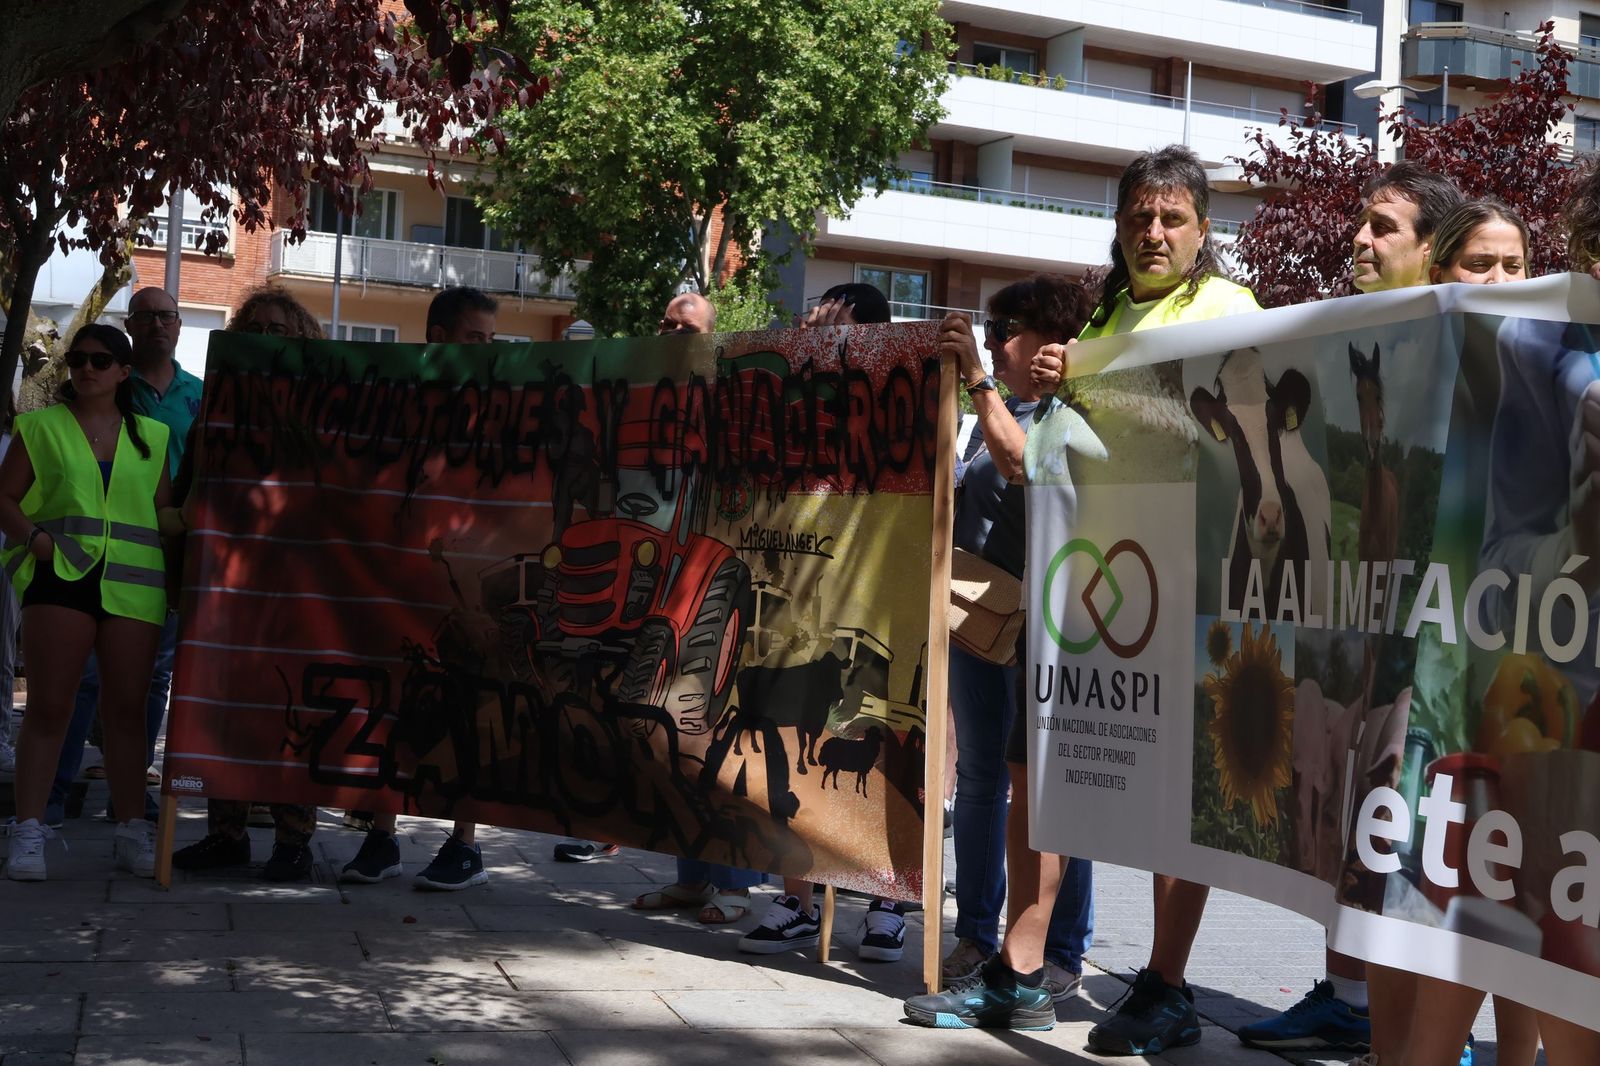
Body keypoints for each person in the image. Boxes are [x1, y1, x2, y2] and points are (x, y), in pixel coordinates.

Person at [907, 144, 1262, 1041]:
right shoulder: (1100, 315)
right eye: (1140, 215)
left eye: (1172, 216)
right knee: (1043, 779)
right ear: (1118, 224)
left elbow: (1228, 438)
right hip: (1080, 597)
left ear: (1203, 230)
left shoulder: (1228, 309)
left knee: (1179, 805)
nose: (1154, 230)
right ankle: (1020, 969)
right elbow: (1040, 463)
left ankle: (1165, 986)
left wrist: (1098, 387)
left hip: (1181, 596)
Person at [1239, 162, 1466, 1059]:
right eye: (1359, 225)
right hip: (1341, 631)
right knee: (1339, 821)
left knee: (1399, 835)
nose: (1359, 242)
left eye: (1383, 228)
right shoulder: (1333, 345)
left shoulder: (1470, 350)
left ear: (1432, 250)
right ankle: (1347, 998)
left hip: (1430, 646)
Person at [899, 275, 1096, 1015]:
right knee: (982, 781)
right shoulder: (987, 408)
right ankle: (979, 936)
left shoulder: (1065, 407)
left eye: (1003, 327)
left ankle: (1060, 953)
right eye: (987, 328)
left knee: (1056, 797)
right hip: (975, 620)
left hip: (1040, 626)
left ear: (1050, 337)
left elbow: (1025, 467)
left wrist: (979, 384)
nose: (990, 341)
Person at [735, 282, 912, 962]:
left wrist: (838, 358)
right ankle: (797, 897)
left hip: (875, 599)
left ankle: (885, 901)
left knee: (873, 740)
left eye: (840, 331)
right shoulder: (796, 397)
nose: (825, 338)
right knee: (789, 742)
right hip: (799, 599)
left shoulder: (903, 395)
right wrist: (806, 354)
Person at [341, 286, 499, 891]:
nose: (484, 352)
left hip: (466, 583)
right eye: (472, 339)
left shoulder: (503, 406)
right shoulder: (397, 397)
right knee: (390, 704)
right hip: (399, 578)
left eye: (491, 341)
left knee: (466, 706)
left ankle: (465, 845)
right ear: (437, 337)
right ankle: (382, 836)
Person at [1, 324, 170, 880]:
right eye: (78, 359)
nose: (87, 368)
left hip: (134, 583)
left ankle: (131, 828)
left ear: (124, 372)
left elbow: (164, 516)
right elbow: (3, 497)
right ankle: (28, 831)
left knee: (125, 711)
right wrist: (34, 540)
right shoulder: (40, 426)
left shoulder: (154, 436)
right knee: (50, 706)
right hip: (59, 574)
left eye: (101, 360)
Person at [165, 286, 322, 882]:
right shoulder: (219, 403)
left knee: (289, 706)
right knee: (225, 705)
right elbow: (192, 478)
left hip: (295, 584)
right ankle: (226, 835)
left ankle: (293, 841)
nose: (262, 334)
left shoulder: (321, 403)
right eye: (252, 325)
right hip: (227, 580)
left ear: (300, 337)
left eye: (277, 328)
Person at [45, 287, 202, 827]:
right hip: (88, 562)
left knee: (150, 683)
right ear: (131, 327)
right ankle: (53, 793)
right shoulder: (108, 384)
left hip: (165, 560)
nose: (158, 323)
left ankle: (129, 800)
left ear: (179, 326)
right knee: (85, 681)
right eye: (146, 316)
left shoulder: (203, 395)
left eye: (167, 315)